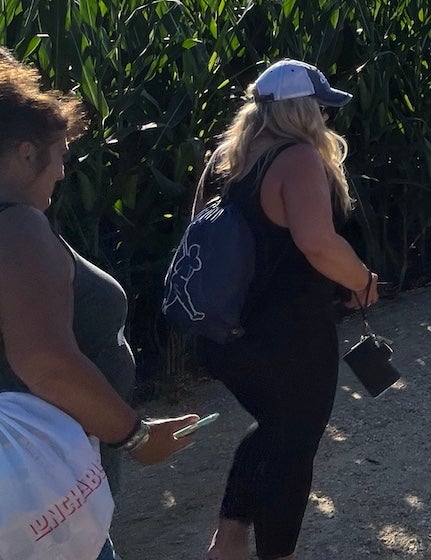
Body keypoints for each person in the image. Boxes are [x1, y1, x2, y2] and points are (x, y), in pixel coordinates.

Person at [0, 53, 199, 560]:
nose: (63, 172)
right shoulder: (17, 228)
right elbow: (46, 362)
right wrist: (134, 436)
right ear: (25, 153)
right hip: (42, 491)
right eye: (59, 154)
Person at [194, 59, 379, 560]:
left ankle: (228, 542)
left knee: (274, 427)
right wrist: (362, 282)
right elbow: (317, 243)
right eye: (320, 107)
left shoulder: (229, 158)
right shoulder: (296, 159)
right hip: (288, 335)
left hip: (225, 330)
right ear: (302, 110)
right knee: (294, 445)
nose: (324, 117)